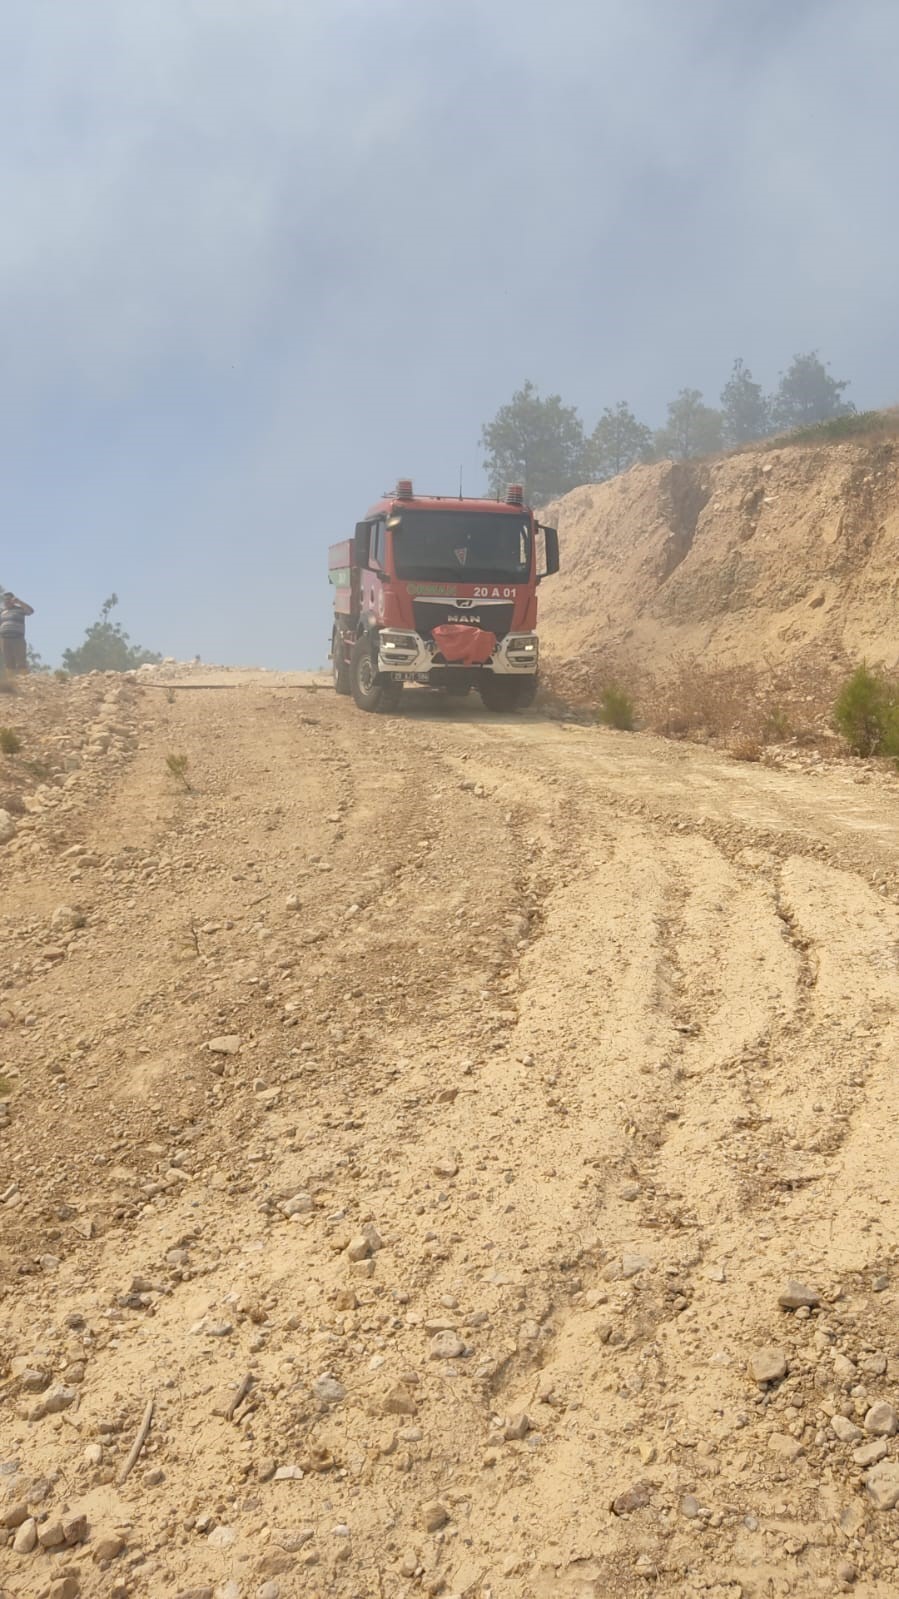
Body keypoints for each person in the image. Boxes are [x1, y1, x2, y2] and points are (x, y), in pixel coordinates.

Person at [0, 591, 34, 673]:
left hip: (17, 638)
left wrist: (19, 602)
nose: (6, 601)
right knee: (8, 663)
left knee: (21, 662)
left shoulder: (19, 609)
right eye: (5, 600)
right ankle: (11, 683)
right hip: (4, 639)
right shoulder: (2, 612)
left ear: (12, 600)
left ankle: (24, 682)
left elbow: (30, 611)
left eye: (8, 599)